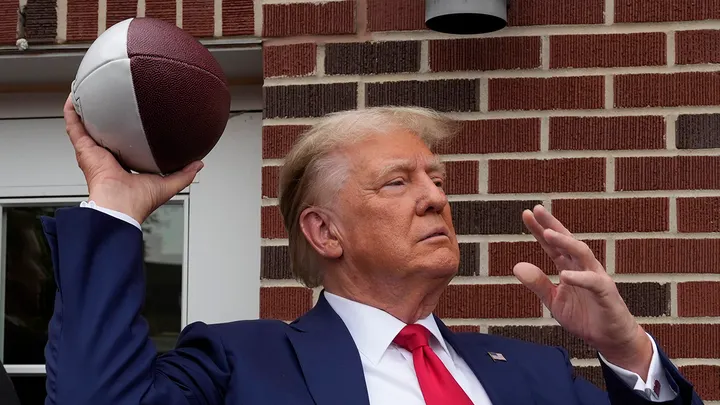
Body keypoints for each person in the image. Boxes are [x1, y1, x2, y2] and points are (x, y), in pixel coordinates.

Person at [40, 96, 703, 405]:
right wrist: (117, 208)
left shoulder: (536, 375)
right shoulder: (241, 363)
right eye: (398, 181)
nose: (434, 199)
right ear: (325, 232)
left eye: (437, 182)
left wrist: (625, 351)